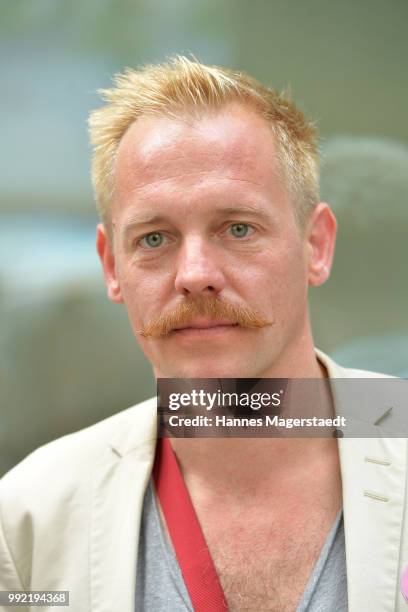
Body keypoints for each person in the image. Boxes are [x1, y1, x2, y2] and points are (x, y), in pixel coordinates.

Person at [0, 56, 406, 612]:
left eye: (238, 228)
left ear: (316, 245)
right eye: (153, 238)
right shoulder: (31, 517)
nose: (195, 275)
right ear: (111, 266)